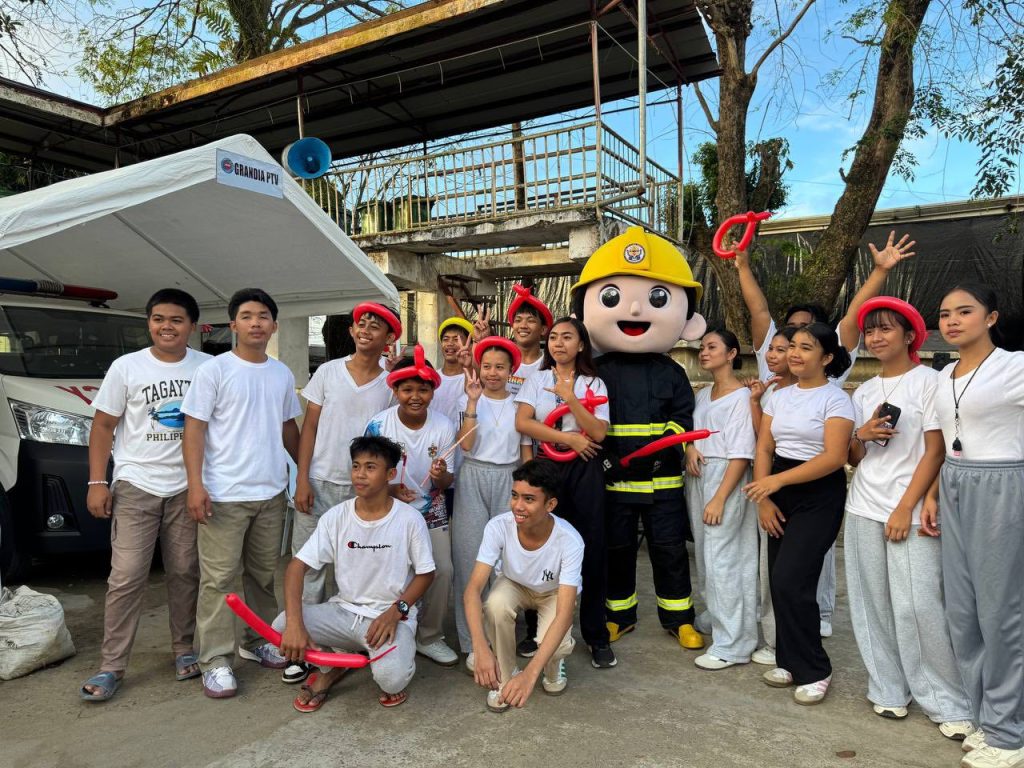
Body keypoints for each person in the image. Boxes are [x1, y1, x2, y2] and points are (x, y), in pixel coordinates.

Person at [734, 232, 916, 638]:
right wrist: (742, 264)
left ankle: (820, 620)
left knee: (810, 569)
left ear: (825, 351)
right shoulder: (772, 371)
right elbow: (757, 307)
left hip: (816, 483)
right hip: (774, 482)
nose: (797, 345)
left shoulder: (832, 385)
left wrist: (880, 271)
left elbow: (850, 318)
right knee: (779, 573)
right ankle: (782, 640)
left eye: (808, 336)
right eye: (792, 336)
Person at [572, 227, 708, 655]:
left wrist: (665, 452)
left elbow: (682, 418)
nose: (633, 309)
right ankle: (620, 615)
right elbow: (587, 420)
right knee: (618, 551)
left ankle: (679, 619)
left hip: (663, 482)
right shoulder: (596, 371)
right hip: (614, 481)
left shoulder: (672, 372)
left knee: (670, 551)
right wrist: (606, 459)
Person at [843, 296, 973, 740]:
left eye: (886, 328)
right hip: (862, 505)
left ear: (910, 335)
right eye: (870, 330)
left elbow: (936, 451)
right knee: (871, 602)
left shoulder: (932, 383)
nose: (876, 337)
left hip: (911, 510)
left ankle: (946, 701)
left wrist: (905, 507)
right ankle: (887, 687)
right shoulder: (863, 391)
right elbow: (855, 457)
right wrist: (861, 434)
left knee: (919, 605)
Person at [80, 289, 211, 701]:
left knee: (186, 571)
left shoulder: (208, 367)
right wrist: (97, 482)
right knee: (126, 576)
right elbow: (103, 426)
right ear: (149, 323)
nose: (166, 326)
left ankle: (184, 649)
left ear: (192, 326)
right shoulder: (127, 367)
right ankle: (111, 666)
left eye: (176, 320)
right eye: (158, 319)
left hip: (187, 485)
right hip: (136, 484)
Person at [181, 288, 302, 698]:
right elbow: (194, 429)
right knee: (218, 581)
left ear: (274, 325)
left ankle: (259, 640)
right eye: (247, 316)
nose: (256, 323)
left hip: (270, 492)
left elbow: (288, 428)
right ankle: (214, 660)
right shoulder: (215, 371)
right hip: (223, 494)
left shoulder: (281, 374)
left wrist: (304, 472)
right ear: (233, 324)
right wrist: (196, 486)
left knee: (263, 576)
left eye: (263, 316)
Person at [928, 284, 1024, 768]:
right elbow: (944, 442)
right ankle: (989, 717)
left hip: (1002, 484)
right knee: (963, 612)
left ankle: (1011, 735)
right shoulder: (943, 375)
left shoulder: (1015, 366)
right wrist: (931, 495)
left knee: (1001, 612)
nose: (952, 320)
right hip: (954, 484)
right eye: (945, 313)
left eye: (965, 311)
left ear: (991, 317)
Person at [274, 436, 435, 712]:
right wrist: (295, 624)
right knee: (282, 626)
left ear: (390, 474)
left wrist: (396, 612)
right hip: (344, 612)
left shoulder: (409, 519)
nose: (360, 474)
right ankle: (332, 668)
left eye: (370, 467)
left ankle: (368, 657)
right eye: (356, 466)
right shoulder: (336, 517)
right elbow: (296, 568)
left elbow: (426, 574)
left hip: (389, 617)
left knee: (391, 680)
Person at [287, 302, 400, 683]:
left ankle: (341, 647)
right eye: (361, 323)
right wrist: (302, 478)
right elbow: (310, 428)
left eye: (376, 325)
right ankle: (303, 648)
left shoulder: (390, 384)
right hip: (320, 481)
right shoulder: (328, 372)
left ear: (389, 337)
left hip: (363, 490)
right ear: (352, 331)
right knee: (311, 567)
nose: (366, 329)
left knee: (352, 568)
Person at [744, 323, 854, 705]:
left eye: (806, 347)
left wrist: (775, 482)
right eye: (792, 345)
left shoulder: (836, 400)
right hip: (778, 492)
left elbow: (835, 457)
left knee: (793, 580)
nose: (794, 353)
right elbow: (764, 448)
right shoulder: (779, 396)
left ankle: (816, 669)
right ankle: (788, 661)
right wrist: (765, 498)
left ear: (826, 357)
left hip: (818, 495)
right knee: (778, 580)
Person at [515, 317, 613, 667]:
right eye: (554, 337)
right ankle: (534, 631)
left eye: (567, 337)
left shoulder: (594, 382)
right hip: (547, 468)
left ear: (581, 344)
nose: (558, 343)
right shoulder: (536, 379)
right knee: (539, 546)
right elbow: (523, 423)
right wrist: (568, 438)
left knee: (591, 548)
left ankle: (596, 636)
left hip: (584, 468)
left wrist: (571, 398)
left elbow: (598, 433)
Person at [464, 459, 583, 712]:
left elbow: (564, 613)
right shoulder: (498, 526)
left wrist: (530, 674)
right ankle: (505, 676)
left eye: (529, 499)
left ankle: (552, 666)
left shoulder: (570, 540)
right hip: (514, 583)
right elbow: (473, 589)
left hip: (553, 592)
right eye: (515, 495)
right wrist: (480, 647)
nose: (517, 506)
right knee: (495, 604)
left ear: (550, 505)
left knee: (556, 647)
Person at [365, 345, 458, 667]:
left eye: (423, 389)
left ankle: (429, 636)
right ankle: (384, 628)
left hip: (431, 507)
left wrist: (441, 475)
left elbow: (447, 482)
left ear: (433, 391)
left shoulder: (443, 426)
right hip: (388, 508)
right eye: (407, 389)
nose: (415, 396)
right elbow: (366, 474)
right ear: (395, 390)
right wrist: (390, 489)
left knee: (442, 570)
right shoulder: (379, 425)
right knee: (391, 572)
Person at [452, 336, 532, 670]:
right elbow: (466, 445)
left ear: (511, 369)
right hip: (473, 476)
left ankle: (501, 637)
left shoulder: (520, 404)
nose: (492, 373)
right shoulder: (468, 398)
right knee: (469, 558)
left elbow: (526, 450)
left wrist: (528, 489)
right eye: (487, 366)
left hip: (509, 479)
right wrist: (472, 402)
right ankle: (473, 642)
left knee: (505, 561)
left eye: (500, 367)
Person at [684, 329, 758, 671]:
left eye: (712, 347)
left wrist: (719, 498)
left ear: (731, 354)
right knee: (706, 555)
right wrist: (689, 447)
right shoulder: (703, 394)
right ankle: (718, 616)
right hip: (699, 475)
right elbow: (694, 433)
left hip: (725, 475)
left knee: (724, 559)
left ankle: (734, 643)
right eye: (702, 347)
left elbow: (742, 453)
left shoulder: (741, 398)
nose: (704, 352)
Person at [747, 325, 796, 668]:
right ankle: (775, 638)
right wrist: (755, 401)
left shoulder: (813, 391)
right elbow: (761, 438)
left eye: (783, 349)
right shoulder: (772, 391)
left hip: (793, 480)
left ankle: (791, 640)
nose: (773, 355)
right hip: (767, 479)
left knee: (791, 570)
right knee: (771, 566)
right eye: (773, 349)